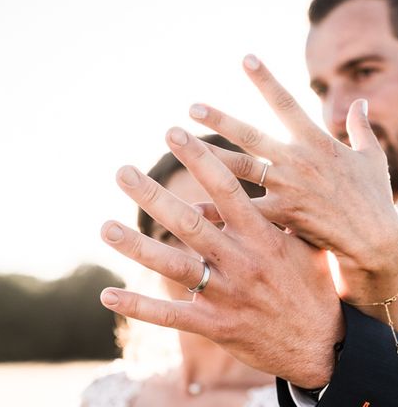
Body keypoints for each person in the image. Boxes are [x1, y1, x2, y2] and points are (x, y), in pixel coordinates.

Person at [99, 0, 398, 406]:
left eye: (363, 72)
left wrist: (328, 353)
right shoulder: (323, 248)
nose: (337, 113)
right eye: (321, 88)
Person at [83, 135, 278, 407]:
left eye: (220, 226)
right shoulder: (107, 394)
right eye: (173, 233)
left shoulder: (305, 400)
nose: (197, 258)